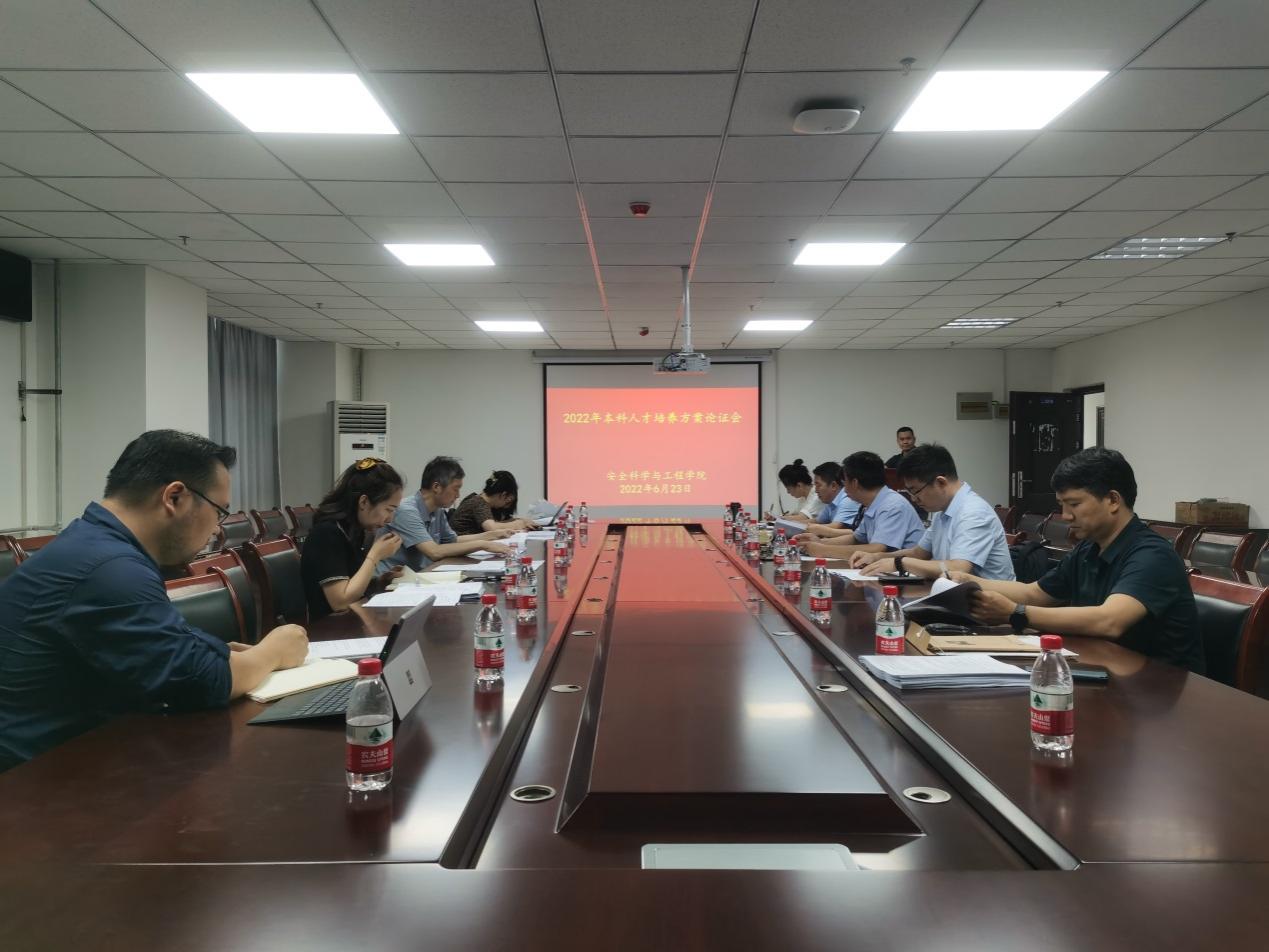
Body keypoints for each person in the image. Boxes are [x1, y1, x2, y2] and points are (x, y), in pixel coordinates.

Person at [0, 430, 308, 772]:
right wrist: (272, 652)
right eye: (219, 511)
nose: (218, 530)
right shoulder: (110, 568)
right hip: (33, 784)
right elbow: (199, 680)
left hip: (75, 757)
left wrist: (221, 653)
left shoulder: (94, 543)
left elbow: (173, 642)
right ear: (174, 497)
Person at [955, 448, 1204, 673]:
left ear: (1113, 500)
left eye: (1074, 504)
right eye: (1061, 505)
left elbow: (1110, 621)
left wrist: (1015, 613)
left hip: (1159, 687)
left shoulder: (1153, 555)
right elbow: (1035, 593)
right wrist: (966, 581)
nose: (1065, 516)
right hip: (1104, 670)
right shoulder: (1089, 547)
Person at [853, 444, 1013, 580]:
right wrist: (877, 557)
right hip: (955, 595)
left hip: (988, 603)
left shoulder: (973, 512)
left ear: (940, 482)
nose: (913, 499)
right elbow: (918, 553)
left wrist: (899, 563)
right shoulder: (942, 511)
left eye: (915, 491)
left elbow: (958, 568)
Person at [301, 457, 407, 618]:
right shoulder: (327, 533)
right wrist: (375, 555)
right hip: (327, 627)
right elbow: (340, 602)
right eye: (389, 509)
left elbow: (352, 586)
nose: (390, 519)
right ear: (364, 502)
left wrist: (379, 582)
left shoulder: (353, 530)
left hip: (349, 621)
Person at [379, 456, 515, 573]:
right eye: (456, 489)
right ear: (436, 487)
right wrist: (482, 544)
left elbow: (453, 540)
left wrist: (491, 535)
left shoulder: (437, 510)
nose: (458, 495)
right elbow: (434, 552)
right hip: (390, 584)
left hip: (420, 576)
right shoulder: (406, 510)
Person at [797, 451, 925, 560]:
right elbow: (856, 538)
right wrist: (820, 542)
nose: (844, 490)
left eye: (844, 483)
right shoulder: (872, 503)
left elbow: (877, 548)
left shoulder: (892, 505)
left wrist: (824, 550)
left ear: (855, 483)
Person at [449, 471, 538, 535]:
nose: (506, 505)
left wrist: (521, 520)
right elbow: (492, 528)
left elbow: (497, 523)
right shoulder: (478, 502)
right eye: (508, 501)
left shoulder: (476, 498)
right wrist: (517, 524)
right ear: (503, 495)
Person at [799, 460, 861, 537]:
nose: (815, 490)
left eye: (818, 485)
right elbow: (817, 521)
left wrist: (812, 528)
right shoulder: (831, 501)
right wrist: (791, 524)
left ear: (833, 486)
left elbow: (836, 527)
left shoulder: (848, 499)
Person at [763, 458, 823, 524]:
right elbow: (794, 515)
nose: (788, 492)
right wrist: (775, 518)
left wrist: (777, 518)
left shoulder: (817, 495)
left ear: (799, 485)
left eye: (788, 489)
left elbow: (801, 517)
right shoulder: (804, 497)